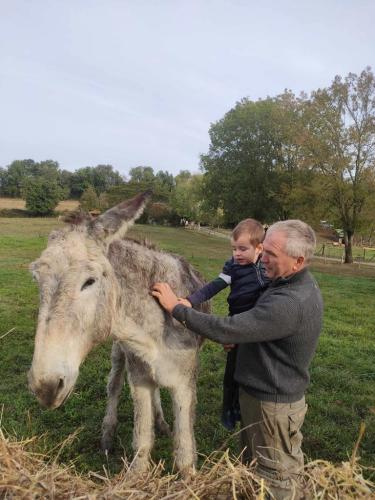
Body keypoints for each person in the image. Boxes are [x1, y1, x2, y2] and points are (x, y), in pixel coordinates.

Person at [152, 220, 323, 500]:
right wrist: (246, 337)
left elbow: (226, 329)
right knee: (254, 468)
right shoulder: (287, 282)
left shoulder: (289, 302)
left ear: (298, 260)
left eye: (271, 254)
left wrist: (177, 309)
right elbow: (258, 327)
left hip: (272, 405)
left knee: (277, 478)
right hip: (264, 397)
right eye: (263, 250)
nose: (262, 259)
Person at [181, 218, 269, 430]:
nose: (236, 254)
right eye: (233, 249)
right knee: (232, 372)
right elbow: (213, 286)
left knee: (255, 368)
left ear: (259, 248)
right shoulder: (233, 267)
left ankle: (254, 405)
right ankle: (230, 407)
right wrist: (190, 301)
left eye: (242, 249)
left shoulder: (267, 268)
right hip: (236, 322)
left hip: (257, 324)